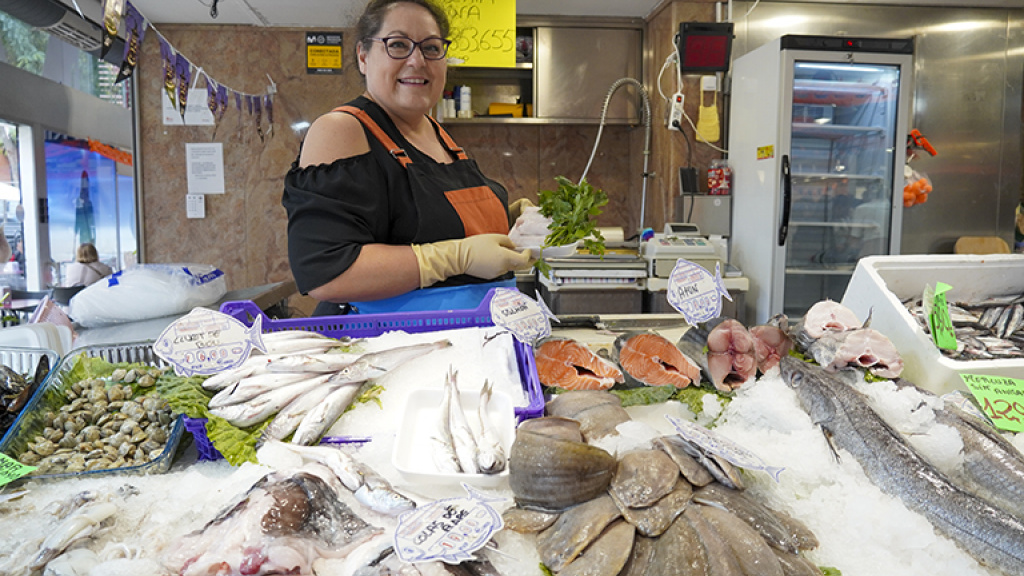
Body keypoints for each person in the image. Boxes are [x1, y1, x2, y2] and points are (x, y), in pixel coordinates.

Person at [282, 0, 535, 316]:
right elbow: (325, 270)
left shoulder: (435, 131)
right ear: (363, 56)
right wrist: (456, 257)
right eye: (398, 44)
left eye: (431, 48)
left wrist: (511, 222)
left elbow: (418, 224)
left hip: (465, 343)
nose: (417, 61)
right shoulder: (342, 129)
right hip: (386, 346)